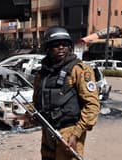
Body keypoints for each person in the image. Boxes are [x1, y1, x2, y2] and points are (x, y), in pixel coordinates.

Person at [33, 26, 100, 160]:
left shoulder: (79, 70)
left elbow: (92, 106)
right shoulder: (43, 74)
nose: (61, 47)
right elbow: (37, 101)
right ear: (48, 48)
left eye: (65, 44)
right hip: (48, 130)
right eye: (56, 45)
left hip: (69, 132)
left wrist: (76, 134)